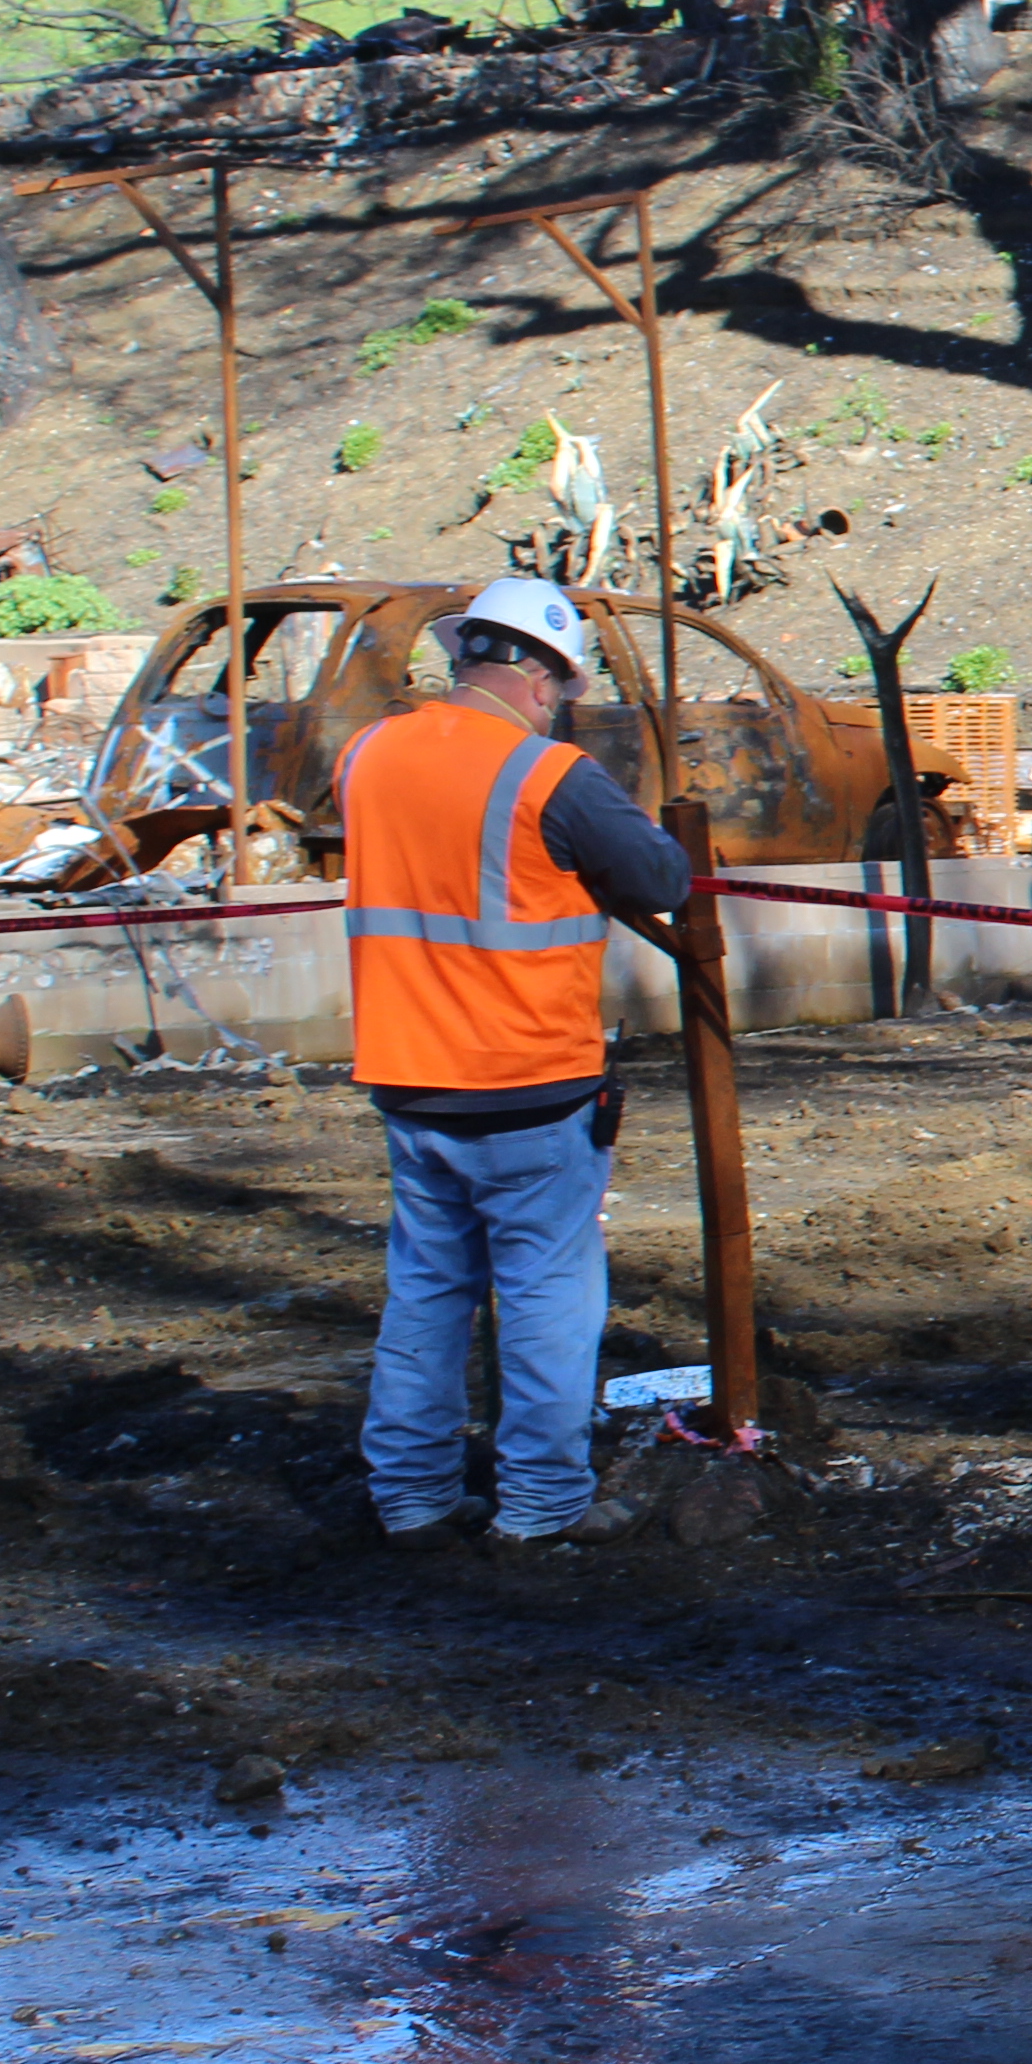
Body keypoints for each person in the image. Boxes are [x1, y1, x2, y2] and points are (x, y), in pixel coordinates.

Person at [343, 575, 689, 1550]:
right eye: (560, 691)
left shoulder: (368, 755)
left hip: (409, 1075)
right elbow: (660, 875)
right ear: (540, 679)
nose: (556, 707)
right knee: (545, 1294)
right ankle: (540, 1502)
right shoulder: (547, 774)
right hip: (527, 1081)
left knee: (427, 1291)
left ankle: (411, 1496)